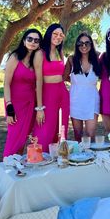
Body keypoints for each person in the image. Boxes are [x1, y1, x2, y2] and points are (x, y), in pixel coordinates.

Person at [3, 28, 42, 156]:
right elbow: (6, 84)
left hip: (30, 104)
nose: (33, 42)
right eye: (30, 39)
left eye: (36, 40)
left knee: (23, 138)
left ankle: (17, 165)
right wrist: (9, 106)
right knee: (14, 137)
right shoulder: (15, 57)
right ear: (24, 40)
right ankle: (8, 167)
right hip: (14, 104)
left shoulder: (36, 60)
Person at [33, 23, 70, 151]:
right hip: (47, 94)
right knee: (45, 130)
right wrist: (39, 108)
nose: (58, 37)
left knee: (61, 128)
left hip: (63, 93)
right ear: (49, 34)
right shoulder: (40, 53)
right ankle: (39, 156)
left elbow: (64, 75)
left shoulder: (60, 52)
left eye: (61, 35)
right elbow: (38, 81)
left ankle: (58, 157)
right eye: (55, 34)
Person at [64, 32, 101, 141]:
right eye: (80, 43)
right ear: (77, 45)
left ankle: (92, 157)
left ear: (91, 44)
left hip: (92, 99)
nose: (83, 46)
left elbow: (106, 75)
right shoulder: (71, 59)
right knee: (78, 134)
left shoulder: (98, 57)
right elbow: (63, 76)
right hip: (76, 100)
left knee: (91, 133)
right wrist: (76, 82)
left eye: (86, 43)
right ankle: (80, 157)